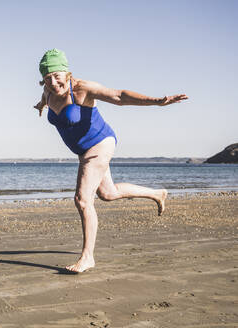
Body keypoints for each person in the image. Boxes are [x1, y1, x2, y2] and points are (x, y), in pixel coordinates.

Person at [34, 49, 188, 273]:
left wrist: (157, 101)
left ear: (67, 72)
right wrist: (41, 106)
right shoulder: (48, 92)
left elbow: (119, 96)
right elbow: (44, 99)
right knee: (108, 193)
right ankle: (157, 193)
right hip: (84, 150)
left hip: (100, 143)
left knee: (82, 199)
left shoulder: (82, 88)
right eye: (47, 78)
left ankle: (87, 257)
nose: (53, 81)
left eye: (57, 75)